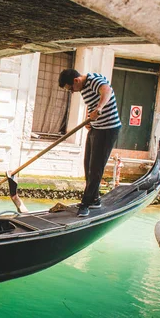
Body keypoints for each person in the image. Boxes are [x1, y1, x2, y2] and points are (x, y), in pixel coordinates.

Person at [58, 69, 122, 217]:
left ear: (76, 80)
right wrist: (89, 117)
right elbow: (91, 101)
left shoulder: (94, 80)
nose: (72, 92)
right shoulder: (82, 87)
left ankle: (85, 204)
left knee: (96, 169)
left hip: (108, 129)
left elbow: (107, 91)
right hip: (96, 128)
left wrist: (99, 109)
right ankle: (95, 199)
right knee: (87, 166)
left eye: (71, 89)